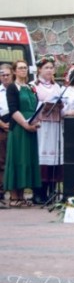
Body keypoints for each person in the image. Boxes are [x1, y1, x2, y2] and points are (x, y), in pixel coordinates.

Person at [3, 60, 41, 207]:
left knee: (27, 159)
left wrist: (37, 121)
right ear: (14, 71)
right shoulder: (13, 87)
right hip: (19, 127)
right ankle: (14, 196)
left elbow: (36, 107)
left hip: (31, 127)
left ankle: (23, 194)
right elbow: (13, 110)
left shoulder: (31, 87)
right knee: (17, 158)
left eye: (25, 68)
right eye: (20, 68)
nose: (23, 70)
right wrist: (25, 124)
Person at [32, 57, 63, 205]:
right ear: (39, 70)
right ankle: (39, 192)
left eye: (51, 68)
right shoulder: (34, 86)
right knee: (41, 157)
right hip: (42, 124)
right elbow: (32, 105)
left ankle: (52, 189)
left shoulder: (57, 86)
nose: (49, 70)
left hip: (55, 124)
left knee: (54, 157)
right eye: (46, 68)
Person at [0, 64, 12, 207]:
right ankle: (1, 193)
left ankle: (16, 193)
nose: (5, 77)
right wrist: (2, 124)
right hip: (2, 126)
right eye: (2, 74)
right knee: (1, 161)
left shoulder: (16, 90)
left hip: (16, 126)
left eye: (7, 74)